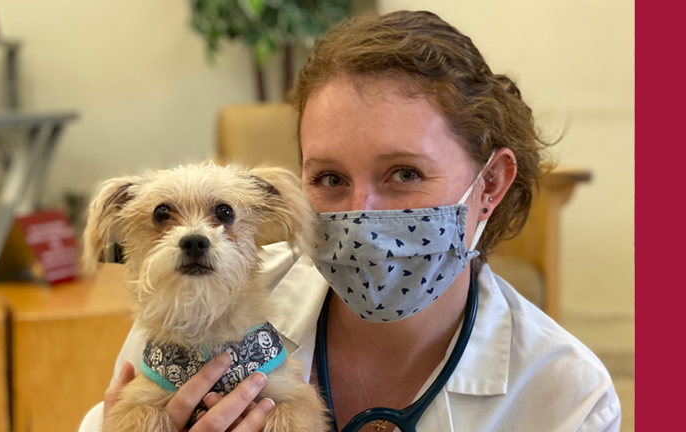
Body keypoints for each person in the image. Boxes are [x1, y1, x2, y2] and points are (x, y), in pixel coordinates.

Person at [79, 10, 620, 432]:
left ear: (491, 185)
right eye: (331, 179)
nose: (361, 211)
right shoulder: (197, 300)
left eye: (404, 173)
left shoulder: (565, 397)